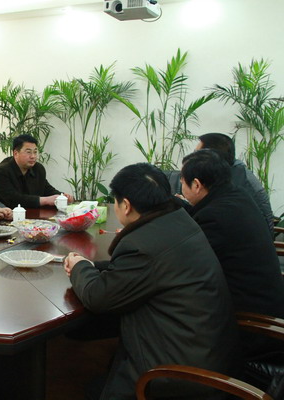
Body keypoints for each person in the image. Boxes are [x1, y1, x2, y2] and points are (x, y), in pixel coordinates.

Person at [64, 163, 238, 400]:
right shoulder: (179, 220)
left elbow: (98, 296)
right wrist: (93, 266)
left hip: (179, 375)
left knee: (92, 388)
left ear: (126, 205)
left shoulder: (141, 245)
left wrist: (79, 267)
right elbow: (140, 270)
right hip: (209, 354)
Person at [180, 149, 284, 357]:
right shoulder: (237, 196)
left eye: (182, 181)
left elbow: (186, 266)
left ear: (197, 185)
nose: (180, 186)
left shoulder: (214, 217)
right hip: (269, 309)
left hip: (251, 328)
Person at [195, 133, 274, 232]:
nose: (192, 158)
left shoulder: (236, 178)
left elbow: (214, 213)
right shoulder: (232, 169)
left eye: (196, 154)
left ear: (211, 156)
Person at [0, 134, 74, 208]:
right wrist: (45, 200)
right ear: (15, 153)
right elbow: (14, 200)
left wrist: (62, 196)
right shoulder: (1, 172)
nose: (33, 156)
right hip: (5, 216)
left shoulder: (38, 168)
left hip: (32, 215)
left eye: (35, 152)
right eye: (28, 152)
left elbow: (46, 189)